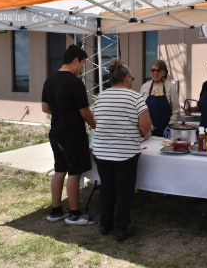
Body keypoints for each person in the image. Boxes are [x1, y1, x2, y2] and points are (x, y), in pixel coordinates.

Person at [92, 60, 152, 241]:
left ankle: (105, 224)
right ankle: (121, 228)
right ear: (126, 78)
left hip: (102, 152)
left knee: (107, 189)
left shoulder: (101, 96)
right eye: (131, 78)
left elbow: (96, 121)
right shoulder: (135, 97)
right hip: (125, 153)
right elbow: (146, 126)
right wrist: (139, 131)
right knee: (124, 191)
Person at [41, 44, 96, 225]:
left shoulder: (49, 80)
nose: (82, 68)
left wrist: (61, 112)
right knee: (74, 173)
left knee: (59, 170)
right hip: (72, 134)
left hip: (55, 133)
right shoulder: (74, 82)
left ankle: (56, 211)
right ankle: (75, 214)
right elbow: (85, 113)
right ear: (75, 61)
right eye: (82, 63)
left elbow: (45, 108)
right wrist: (96, 126)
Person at [139, 59, 180, 137]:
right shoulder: (145, 87)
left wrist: (170, 127)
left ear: (164, 72)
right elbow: (140, 110)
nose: (155, 73)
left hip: (165, 132)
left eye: (158, 70)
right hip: (148, 132)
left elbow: (176, 111)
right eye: (153, 70)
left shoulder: (170, 87)